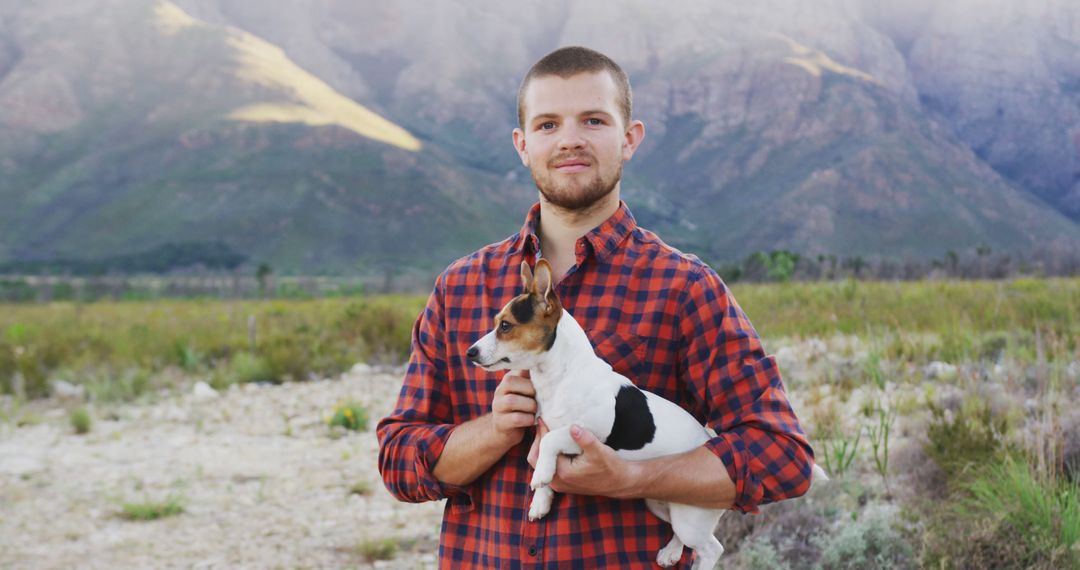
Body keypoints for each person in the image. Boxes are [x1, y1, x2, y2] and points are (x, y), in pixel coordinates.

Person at [377, 46, 814, 569]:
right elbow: (398, 460)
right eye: (547, 124)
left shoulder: (684, 288)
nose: (569, 139)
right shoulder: (459, 287)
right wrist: (492, 432)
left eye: (593, 120)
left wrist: (632, 478)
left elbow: (782, 457)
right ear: (521, 144)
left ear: (630, 138)